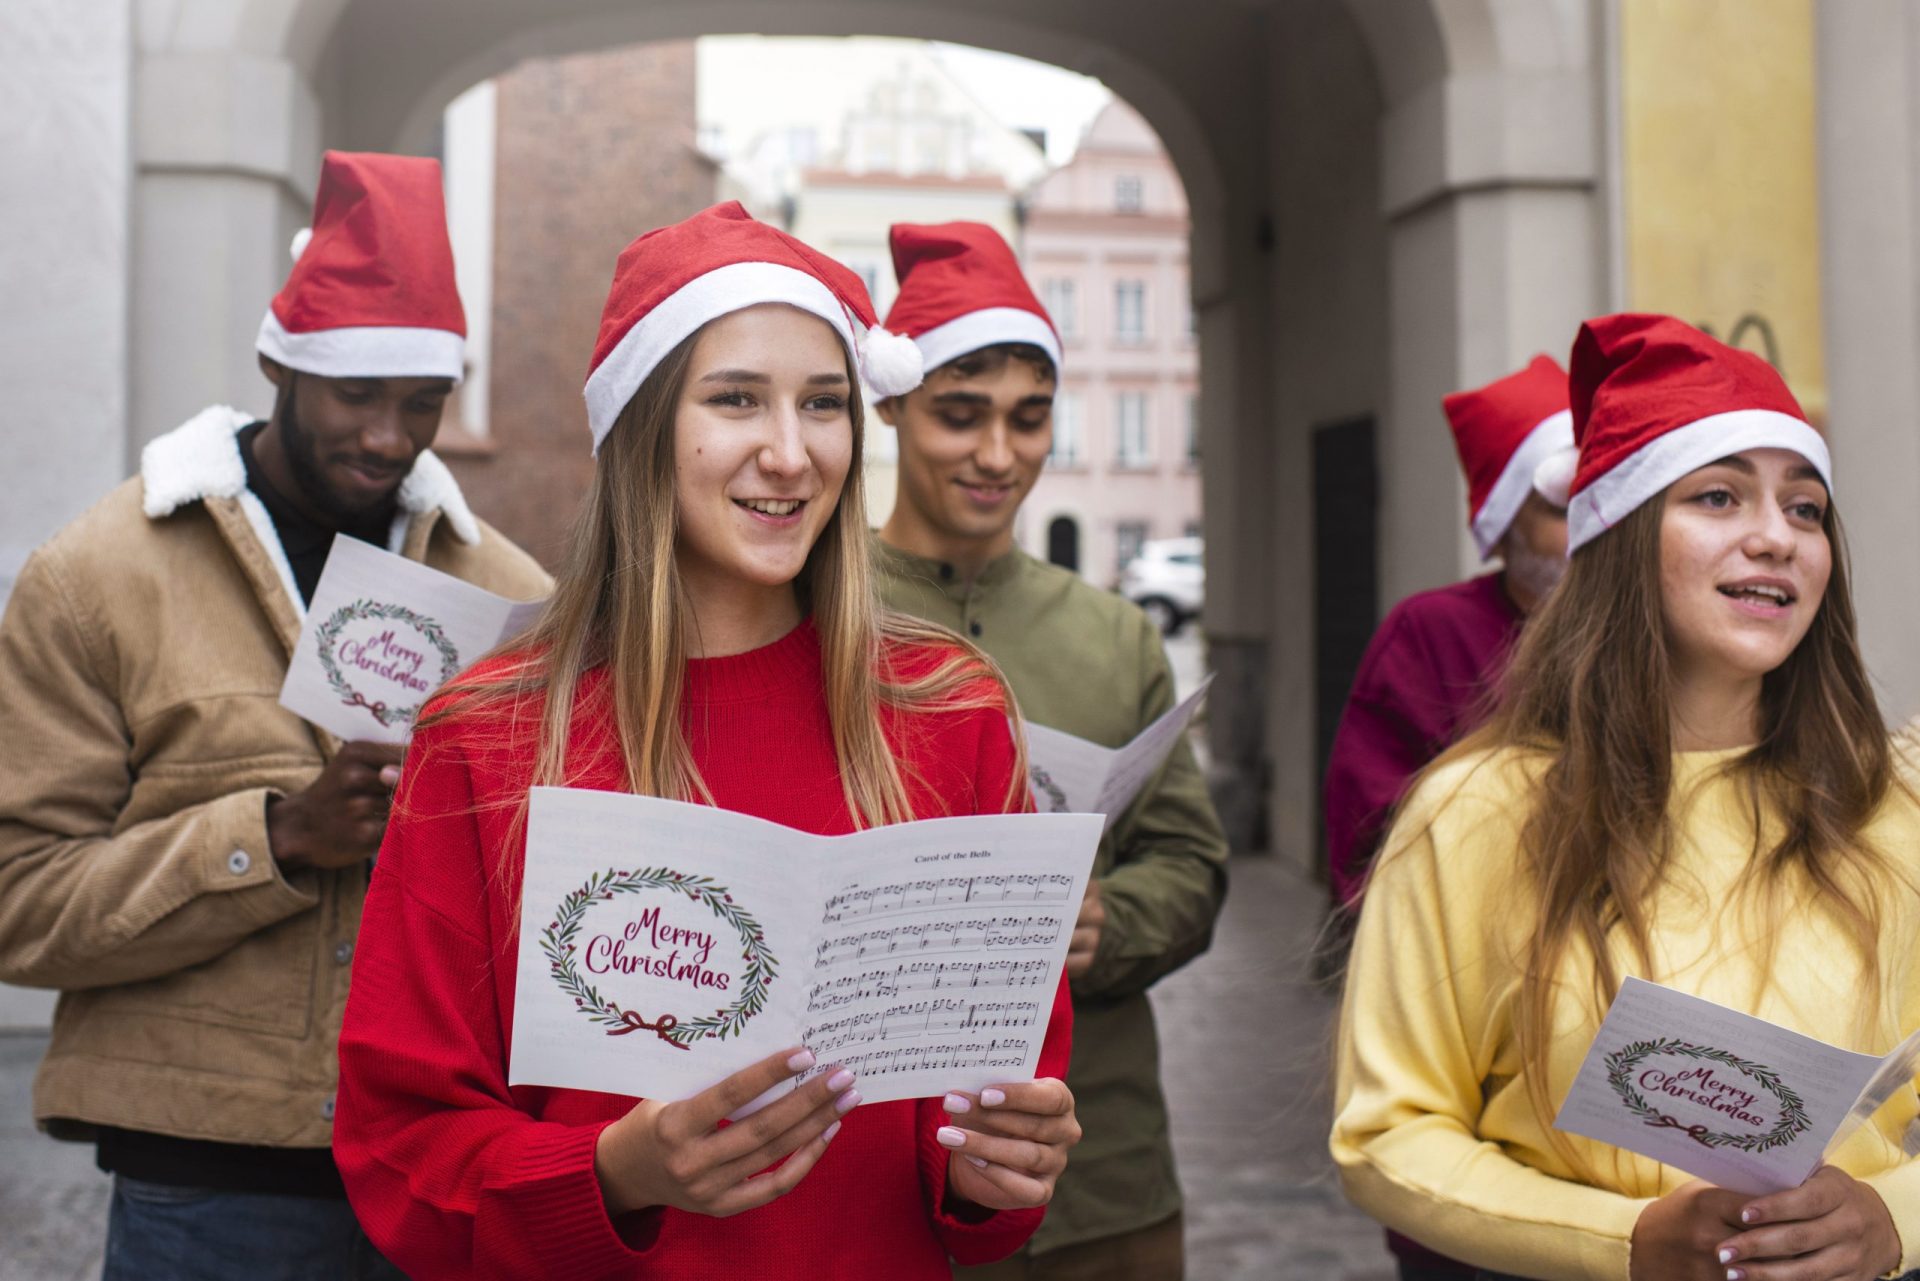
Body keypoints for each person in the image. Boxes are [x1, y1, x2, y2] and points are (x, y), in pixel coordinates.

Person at [331, 202, 1083, 1280]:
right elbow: (401, 1148)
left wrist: (998, 1168)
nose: (789, 454)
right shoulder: (486, 737)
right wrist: (617, 1172)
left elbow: (989, 1129)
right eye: (736, 400)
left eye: (824, 405)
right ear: (642, 428)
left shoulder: (948, 713)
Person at [0, 150, 550, 1280]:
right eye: (358, 395)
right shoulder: (97, 576)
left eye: (423, 404)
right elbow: (18, 906)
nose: (390, 438)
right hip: (205, 1184)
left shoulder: (513, 599)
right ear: (276, 366)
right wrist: (280, 837)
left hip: (437, 1175)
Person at [1331, 314, 1920, 1281]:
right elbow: (1387, 1132)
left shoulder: (1889, 805)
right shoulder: (1473, 812)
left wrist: (1889, 1218)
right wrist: (1629, 1240)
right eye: (1720, 496)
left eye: (1806, 508)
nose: (1776, 536)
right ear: (1620, 537)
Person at [871, 220, 1229, 1280]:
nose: (997, 455)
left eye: (1030, 421)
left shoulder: (1114, 636)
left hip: (1099, 1169)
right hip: (881, 1165)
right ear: (892, 406)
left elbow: (1194, 866)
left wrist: (1106, 923)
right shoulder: (814, 612)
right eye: (960, 416)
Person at [1323, 355, 1572, 917]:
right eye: (1561, 507)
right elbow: (1371, 836)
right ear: (1506, 528)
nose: (1591, 525)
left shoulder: (1663, 629)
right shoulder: (1429, 634)